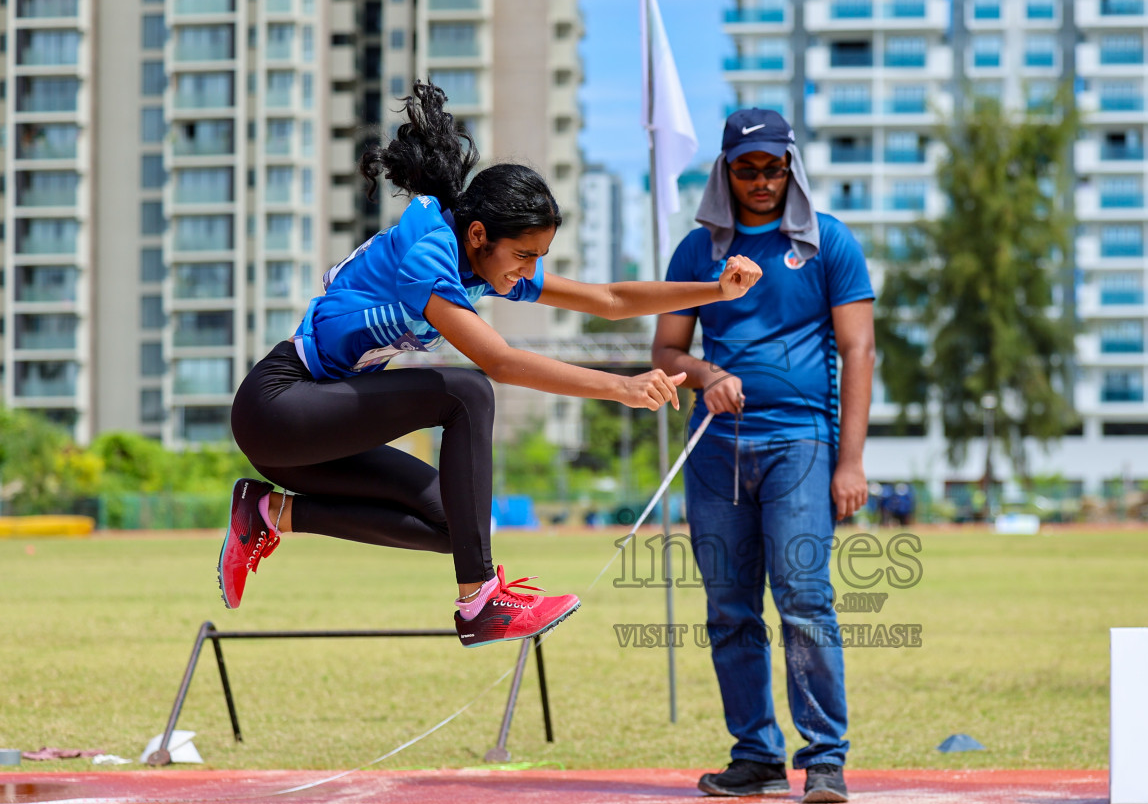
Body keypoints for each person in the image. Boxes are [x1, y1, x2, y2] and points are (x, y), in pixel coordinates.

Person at [221, 82, 762, 649]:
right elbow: (499, 361)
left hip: (322, 436)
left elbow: (608, 299)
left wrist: (716, 291)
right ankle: (479, 601)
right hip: (278, 407)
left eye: (539, 258)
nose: (528, 271)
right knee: (469, 391)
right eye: (524, 255)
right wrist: (620, 387)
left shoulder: (477, 260)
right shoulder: (427, 254)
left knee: (461, 523)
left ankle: (266, 512)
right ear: (479, 234)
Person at [653, 108, 875, 804]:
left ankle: (825, 757)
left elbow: (859, 350)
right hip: (716, 449)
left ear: (791, 167)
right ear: (725, 170)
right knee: (729, 608)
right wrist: (706, 376)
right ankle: (756, 754)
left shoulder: (828, 243)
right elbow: (664, 351)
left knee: (805, 599)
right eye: (745, 168)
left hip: (802, 446)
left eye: (772, 167)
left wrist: (850, 461)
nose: (759, 180)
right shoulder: (697, 252)